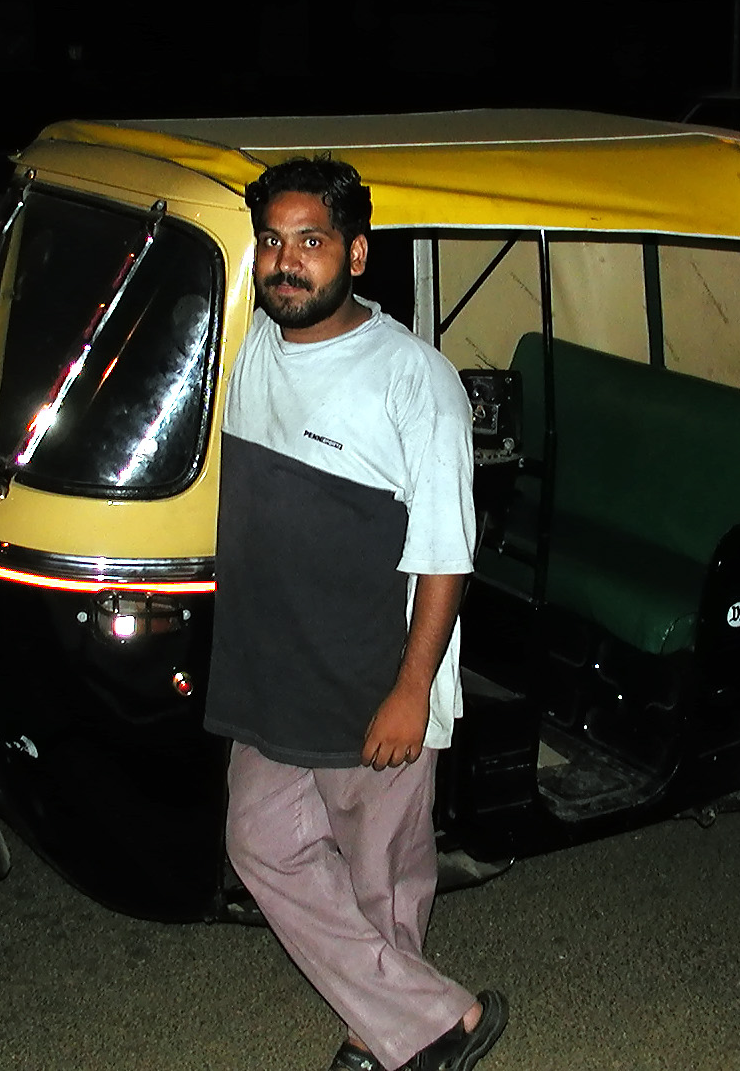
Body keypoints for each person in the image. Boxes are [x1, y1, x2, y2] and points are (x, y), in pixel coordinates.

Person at [203, 155, 507, 1071]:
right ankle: (436, 1019)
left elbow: (447, 552)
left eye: (311, 242)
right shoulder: (256, 343)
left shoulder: (414, 379)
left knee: (382, 878)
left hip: (378, 671)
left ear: (357, 254)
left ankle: (381, 1036)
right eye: (271, 242)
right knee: (258, 839)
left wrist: (411, 689)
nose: (286, 262)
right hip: (276, 667)